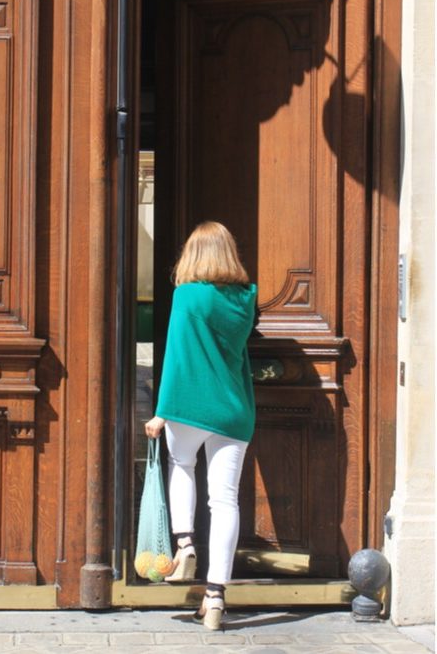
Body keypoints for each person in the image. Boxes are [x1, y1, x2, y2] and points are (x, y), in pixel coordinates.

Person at [144, 221, 257, 631]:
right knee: (225, 500)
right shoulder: (246, 298)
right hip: (233, 410)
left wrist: (161, 411)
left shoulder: (187, 296)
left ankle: (186, 544)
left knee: (182, 467)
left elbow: (175, 357)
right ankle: (215, 598)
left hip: (189, 406)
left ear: (192, 255)